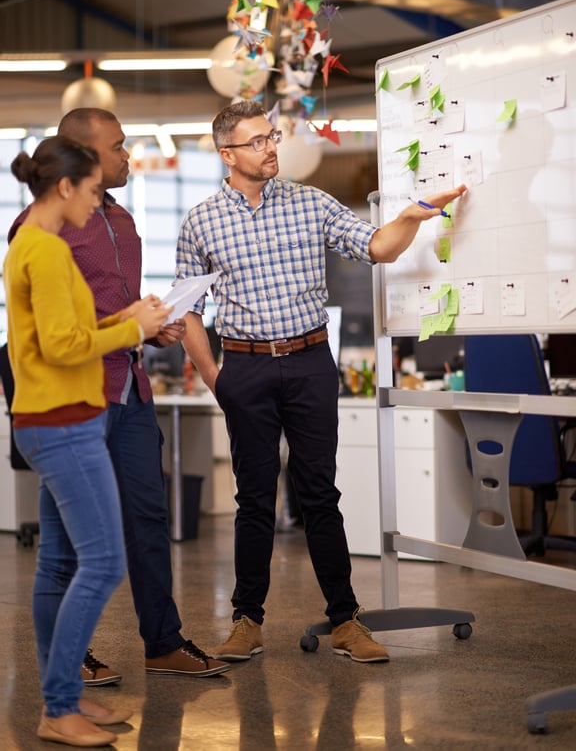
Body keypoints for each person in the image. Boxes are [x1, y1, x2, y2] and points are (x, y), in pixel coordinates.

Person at [175, 100, 467, 664]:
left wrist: (411, 216)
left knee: (318, 494)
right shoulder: (201, 221)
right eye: (257, 141)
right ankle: (246, 621)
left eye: (272, 137)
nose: (270, 148)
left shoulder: (312, 203)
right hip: (245, 366)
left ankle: (345, 621)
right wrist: (216, 377)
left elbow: (377, 247)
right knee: (254, 497)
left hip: (310, 361)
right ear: (227, 153)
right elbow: (188, 308)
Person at [9, 108, 230, 682]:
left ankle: (162, 643)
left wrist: (155, 325)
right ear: (82, 156)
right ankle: (67, 658)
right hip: (76, 392)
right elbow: (57, 327)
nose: (127, 155)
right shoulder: (42, 228)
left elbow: (113, 306)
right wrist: (135, 325)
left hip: (130, 389)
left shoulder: (123, 220)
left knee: (148, 518)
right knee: (68, 538)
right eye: (117, 146)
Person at [4, 136, 172, 746]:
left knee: (60, 561)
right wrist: (133, 328)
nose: (99, 204)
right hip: (62, 419)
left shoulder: (32, 243)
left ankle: (64, 698)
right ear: (67, 187)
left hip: (51, 417)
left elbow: (67, 330)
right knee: (102, 561)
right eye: (95, 191)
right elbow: (61, 348)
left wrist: (125, 318)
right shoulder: (44, 250)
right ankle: (57, 707)